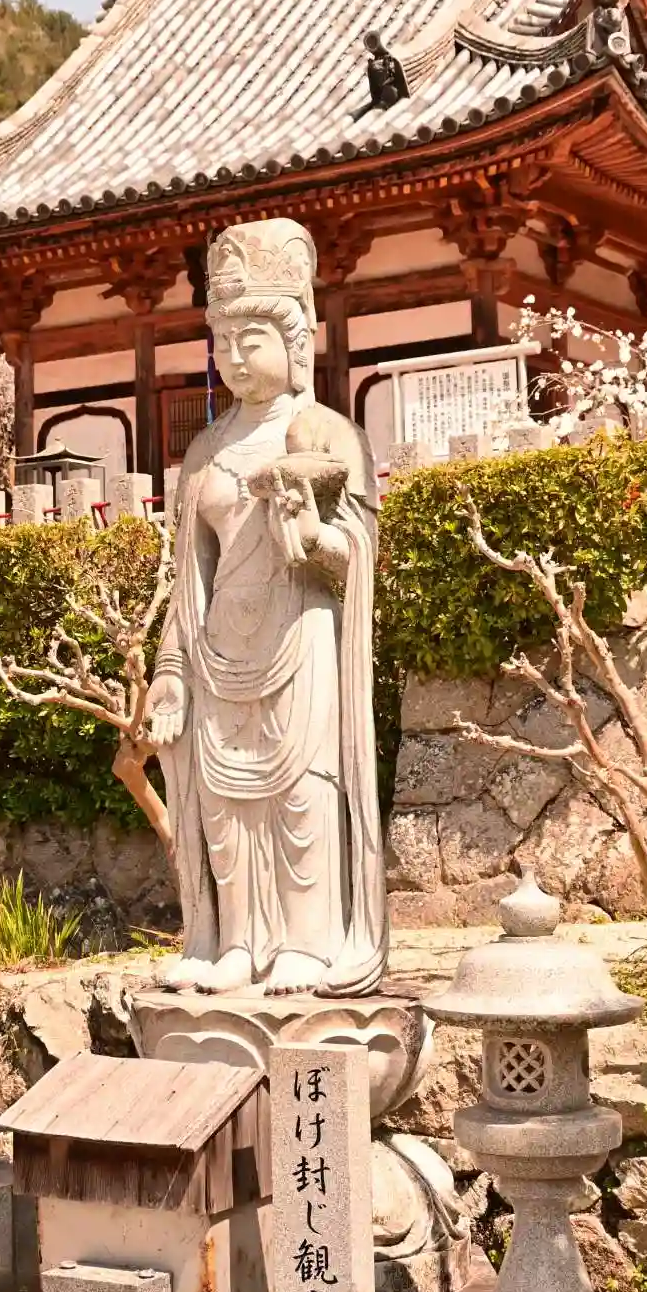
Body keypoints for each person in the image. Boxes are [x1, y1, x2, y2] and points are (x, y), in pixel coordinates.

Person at [144, 219, 386, 997]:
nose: (236, 357)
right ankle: (238, 942)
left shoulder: (329, 434)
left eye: (252, 340)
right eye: (223, 341)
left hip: (300, 631)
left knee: (299, 791)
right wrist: (171, 671)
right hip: (220, 642)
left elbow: (358, 555)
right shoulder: (205, 452)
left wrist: (312, 535)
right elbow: (188, 575)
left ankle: (308, 944)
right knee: (224, 803)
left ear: (295, 343)